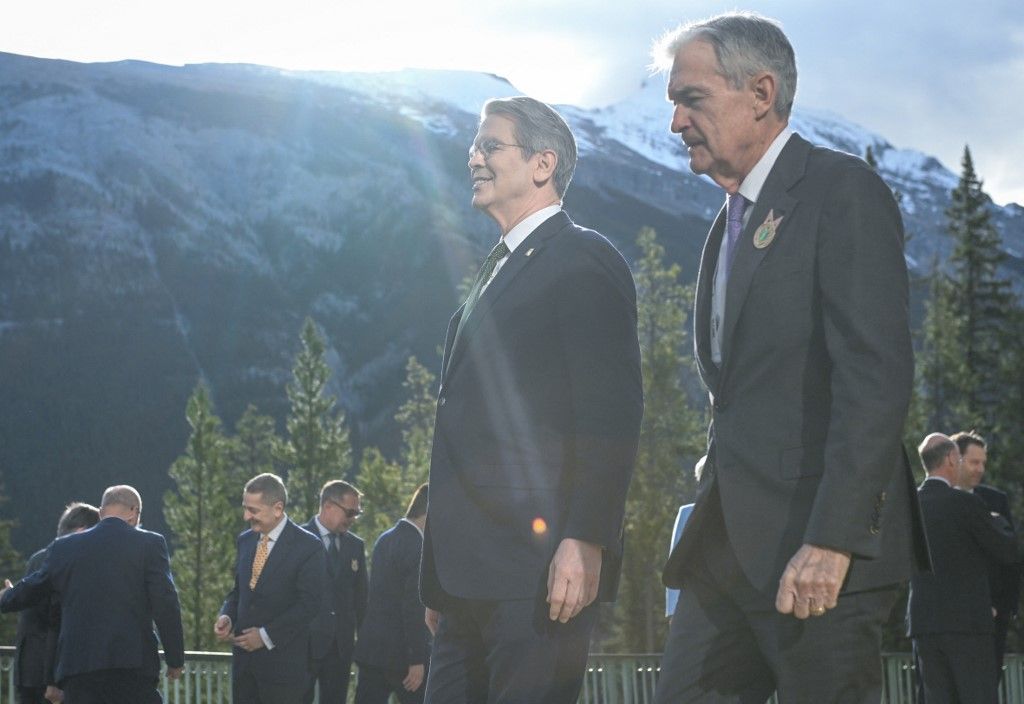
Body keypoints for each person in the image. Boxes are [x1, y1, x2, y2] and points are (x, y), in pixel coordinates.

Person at [650, 12, 929, 703]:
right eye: (674, 104)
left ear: (761, 92)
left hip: (817, 552)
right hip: (724, 555)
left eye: (692, 99)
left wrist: (833, 540)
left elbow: (874, 377)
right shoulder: (727, 224)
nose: (676, 123)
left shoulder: (842, 192)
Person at [420, 95, 643, 704]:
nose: (473, 158)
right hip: (465, 584)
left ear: (542, 164)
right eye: (473, 146)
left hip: (537, 574)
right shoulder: (495, 273)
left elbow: (610, 413)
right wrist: (439, 584)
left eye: (490, 145)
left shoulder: (584, 259)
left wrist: (586, 538)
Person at [0, 486, 185, 704]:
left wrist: (6, 597)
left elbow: (34, 586)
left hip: (79, 670)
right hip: (132, 668)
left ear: (101, 512)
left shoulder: (65, 547)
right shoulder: (150, 544)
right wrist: (175, 659)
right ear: (134, 512)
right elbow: (166, 604)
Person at [907, 433, 1017, 703]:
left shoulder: (908, 504)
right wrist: (997, 522)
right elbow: (1007, 551)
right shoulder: (966, 504)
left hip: (924, 622)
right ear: (950, 459)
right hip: (967, 624)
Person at [215, 473, 326, 704]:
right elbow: (239, 591)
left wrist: (265, 636)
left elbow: (310, 605)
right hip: (244, 669)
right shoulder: (245, 541)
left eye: (253, 510)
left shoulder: (309, 547)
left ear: (277, 508)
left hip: (283, 671)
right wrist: (227, 615)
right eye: (245, 508)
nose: (246, 516)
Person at [10, 502, 99, 704]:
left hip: (27, 669)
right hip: (52, 676)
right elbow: (55, 620)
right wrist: (52, 680)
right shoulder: (64, 562)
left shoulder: (39, 558)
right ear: (82, 531)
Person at [951, 430, 1020, 682]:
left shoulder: (995, 500)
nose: (980, 469)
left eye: (983, 463)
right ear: (954, 460)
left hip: (992, 619)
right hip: (947, 619)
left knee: (987, 685)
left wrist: (1004, 608)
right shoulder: (931, 500)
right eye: (974, 462)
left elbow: (1010, 557)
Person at [354, 483, 431, 704]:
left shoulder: (385, 539)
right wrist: (416, 658)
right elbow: (413, 607)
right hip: (402, 659)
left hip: (372, 652)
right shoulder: (419, 547)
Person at [302, 480, 368, 704]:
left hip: (341, 648)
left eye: (357, 513)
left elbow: (361, 600)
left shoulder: (355, 546)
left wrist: (363, 644)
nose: (352, 519)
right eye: (349, 512)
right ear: (328, 506)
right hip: (305, 645)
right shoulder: (298, 540)